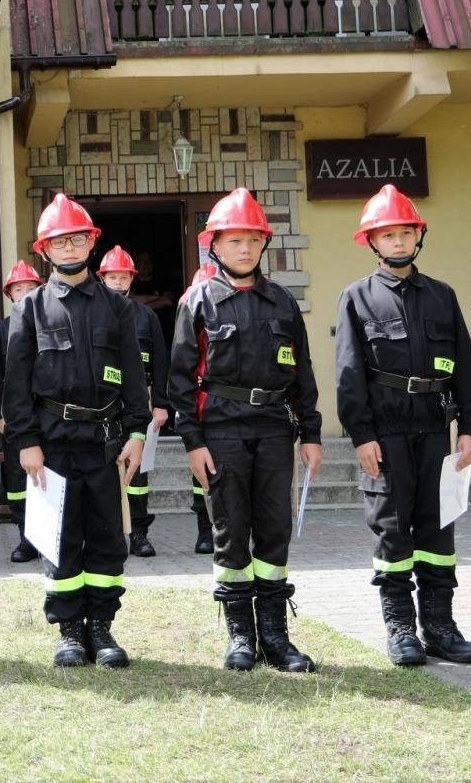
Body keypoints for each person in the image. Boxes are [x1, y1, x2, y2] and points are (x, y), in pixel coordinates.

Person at [169, 187, 321, 673]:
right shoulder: (198, 302)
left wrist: (312, 434)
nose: (244, 249)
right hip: (222, 432)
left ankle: (275, 635)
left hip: (275, 429)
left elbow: (303, 372)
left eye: (253, 240)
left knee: (274, 530)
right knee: (231, 530)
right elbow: (178, 379)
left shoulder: (282, 302)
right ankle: (240, 634)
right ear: (215, 245)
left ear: (263, 245)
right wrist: (193, 442)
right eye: (234, 240)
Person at [335, 185, 471, 666]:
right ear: (372, 242)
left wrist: (469, 428)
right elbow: (348, 372)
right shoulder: (356, 298)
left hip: (436, 432)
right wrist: (361, 435)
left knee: (439, 530)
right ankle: (400, 627)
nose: (398, 242)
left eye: (405, 233)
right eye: (387, 235)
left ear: (417, 237)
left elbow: (465, 364)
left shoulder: (443, 295)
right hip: (386, 432)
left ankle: (439, 626)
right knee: (392, 530)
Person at [4, 194, 148, 668]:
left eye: (77, 239)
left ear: (91, 242)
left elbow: (133, 375)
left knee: (107, 538)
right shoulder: (31, 309)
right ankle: (69, 631)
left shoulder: (118, 308)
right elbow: (16, 384)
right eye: (59, 241)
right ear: (45, 249)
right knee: (60, 537)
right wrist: (25, 442)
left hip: (105, 443)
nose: (69, 248)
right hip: (51, 444)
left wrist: (136, 433)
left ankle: (101, 629)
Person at [97, 246, 171, 559]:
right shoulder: (92, 313)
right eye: (112, 276)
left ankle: (139, 533)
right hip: (101, 407)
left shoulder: (146, 316)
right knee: (101, 471)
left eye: (123, 275)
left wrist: (162, 404)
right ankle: (107, 533)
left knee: (137, 474)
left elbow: (161, 363)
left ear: (132, 278)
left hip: (137, 407)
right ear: (102, 278)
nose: (117, 281)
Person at [0, 260, 42, 563]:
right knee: (17, 478)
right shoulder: (0, 330)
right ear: (9, 294)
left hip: (47, 414)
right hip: (13, 417)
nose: (24, 294)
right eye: (18, 289)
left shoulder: (50, 322)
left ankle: (49, 537)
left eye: (30, 288)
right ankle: (25, 537)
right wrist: (0, 412)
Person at [179, 262, 218, 555]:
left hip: (225, 410)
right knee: (200, 477)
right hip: (200, 410)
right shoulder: (189, 318)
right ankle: (205, 532)